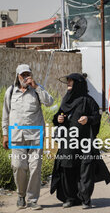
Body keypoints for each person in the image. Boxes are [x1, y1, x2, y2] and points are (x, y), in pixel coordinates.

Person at [50, 73, 110, 209]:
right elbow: (58, 116)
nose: (68, 83)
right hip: (68, 142)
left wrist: (88, 119)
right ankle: (70, 198)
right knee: (67, 169)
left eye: (71, 81)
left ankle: (85, 199)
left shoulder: (88, 101)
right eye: (68, 81)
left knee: (86, 170)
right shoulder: (65, 100)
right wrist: (58, 119)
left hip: (85, 142)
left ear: (78, 84)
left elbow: (97, 117)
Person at [2, 64, 54, 210]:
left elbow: (49, 102)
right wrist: (5, 134)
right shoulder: (11, 91)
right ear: (17, 76)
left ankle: (32, 200)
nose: (25, 77)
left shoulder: (37, 90)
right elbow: (5, 114)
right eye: (22, 75)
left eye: (27, 74)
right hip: (17, 135)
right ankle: (21, 195)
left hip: (36, 135)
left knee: (35, 168)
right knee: (18, 166)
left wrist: (36, 86)